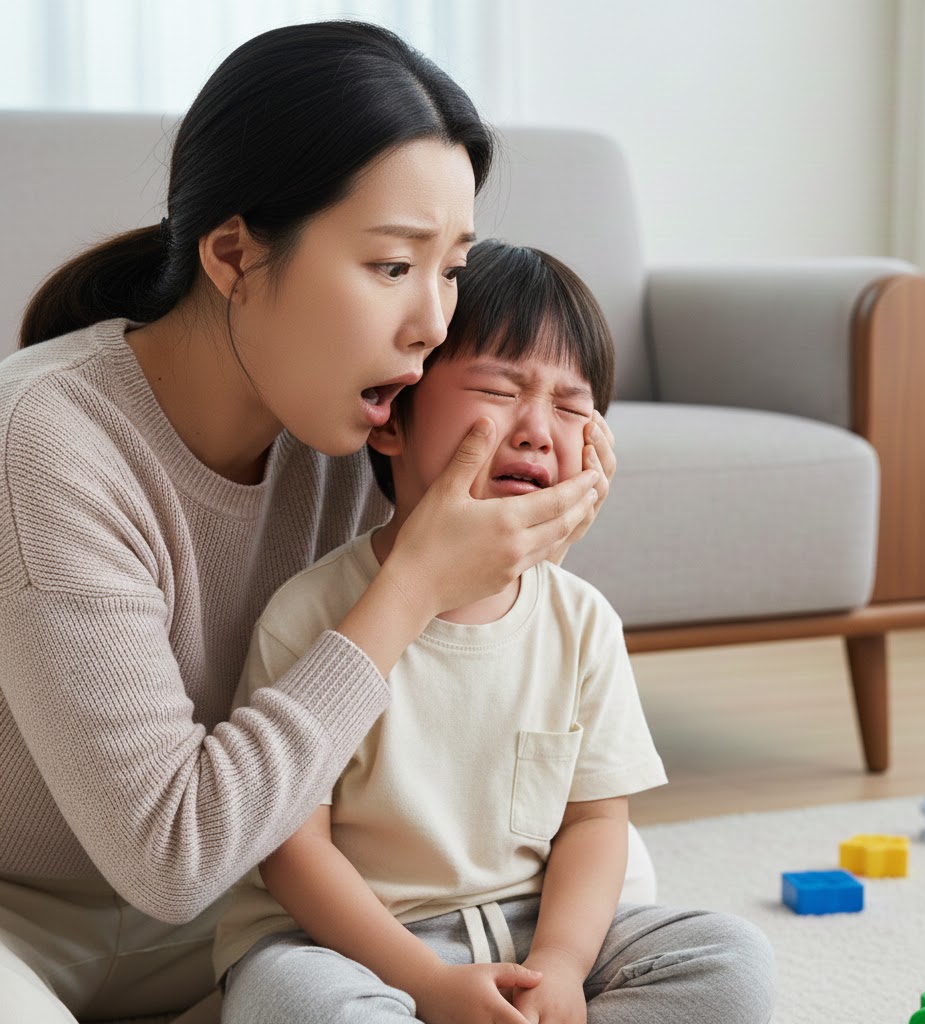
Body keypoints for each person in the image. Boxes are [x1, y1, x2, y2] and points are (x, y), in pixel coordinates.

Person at [0, 24, 616, 1024]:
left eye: (450, 267)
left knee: (607, 878)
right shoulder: (45, 440)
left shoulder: (361, 422)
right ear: (235, 253)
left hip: (243, 907)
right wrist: (408, 583)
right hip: (30, 919)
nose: (431, 323)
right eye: (389, 266)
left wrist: (519, 532)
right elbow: (171, 855)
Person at [213, 240, 777, 1024]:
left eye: (573, 408)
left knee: (733, 963)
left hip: (526, 929)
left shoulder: (580, 622)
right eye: (500, 390)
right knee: (295, 1000)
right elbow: (292, 852)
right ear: (392, 420)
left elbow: (594, 824)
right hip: (352, 948)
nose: (539, 430)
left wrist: (560, 966)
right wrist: (427, 984)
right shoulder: (311, 616)